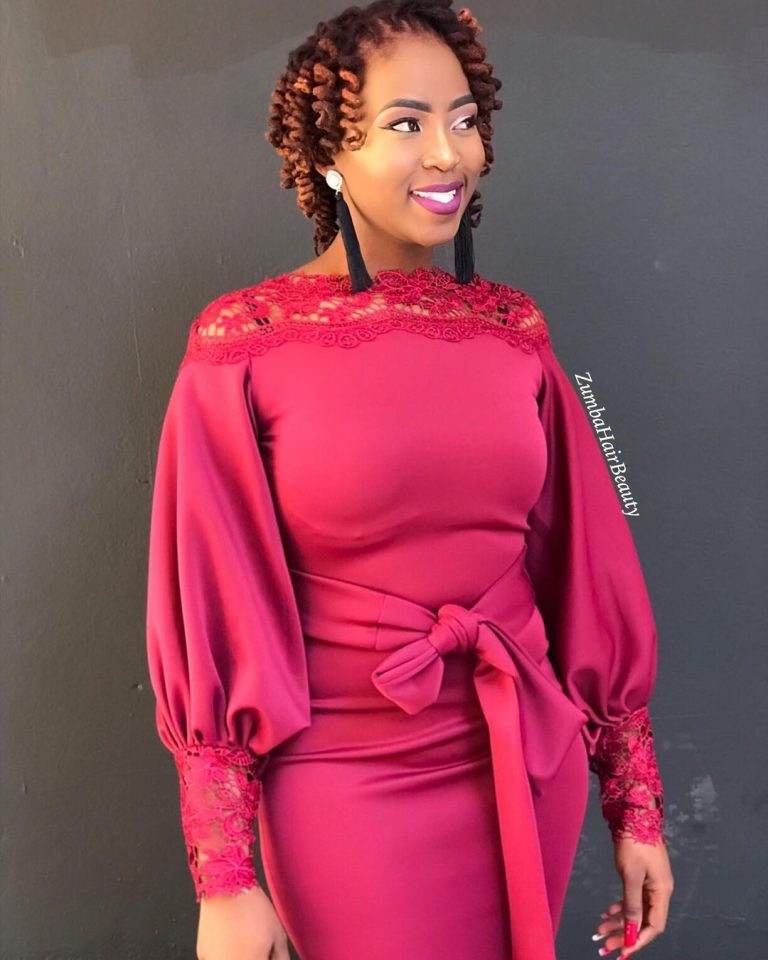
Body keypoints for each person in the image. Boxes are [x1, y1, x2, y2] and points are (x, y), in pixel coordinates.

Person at [145, 3, 675, 959]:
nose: (447, 154)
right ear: (328, 154)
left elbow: (590, 557)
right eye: (406, 123)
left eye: (464, 121)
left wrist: (634, 807)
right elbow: (211, 602)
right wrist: (224, 878)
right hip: (343, 775)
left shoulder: (516, 330)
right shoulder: (242, 343)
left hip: (524, 755)